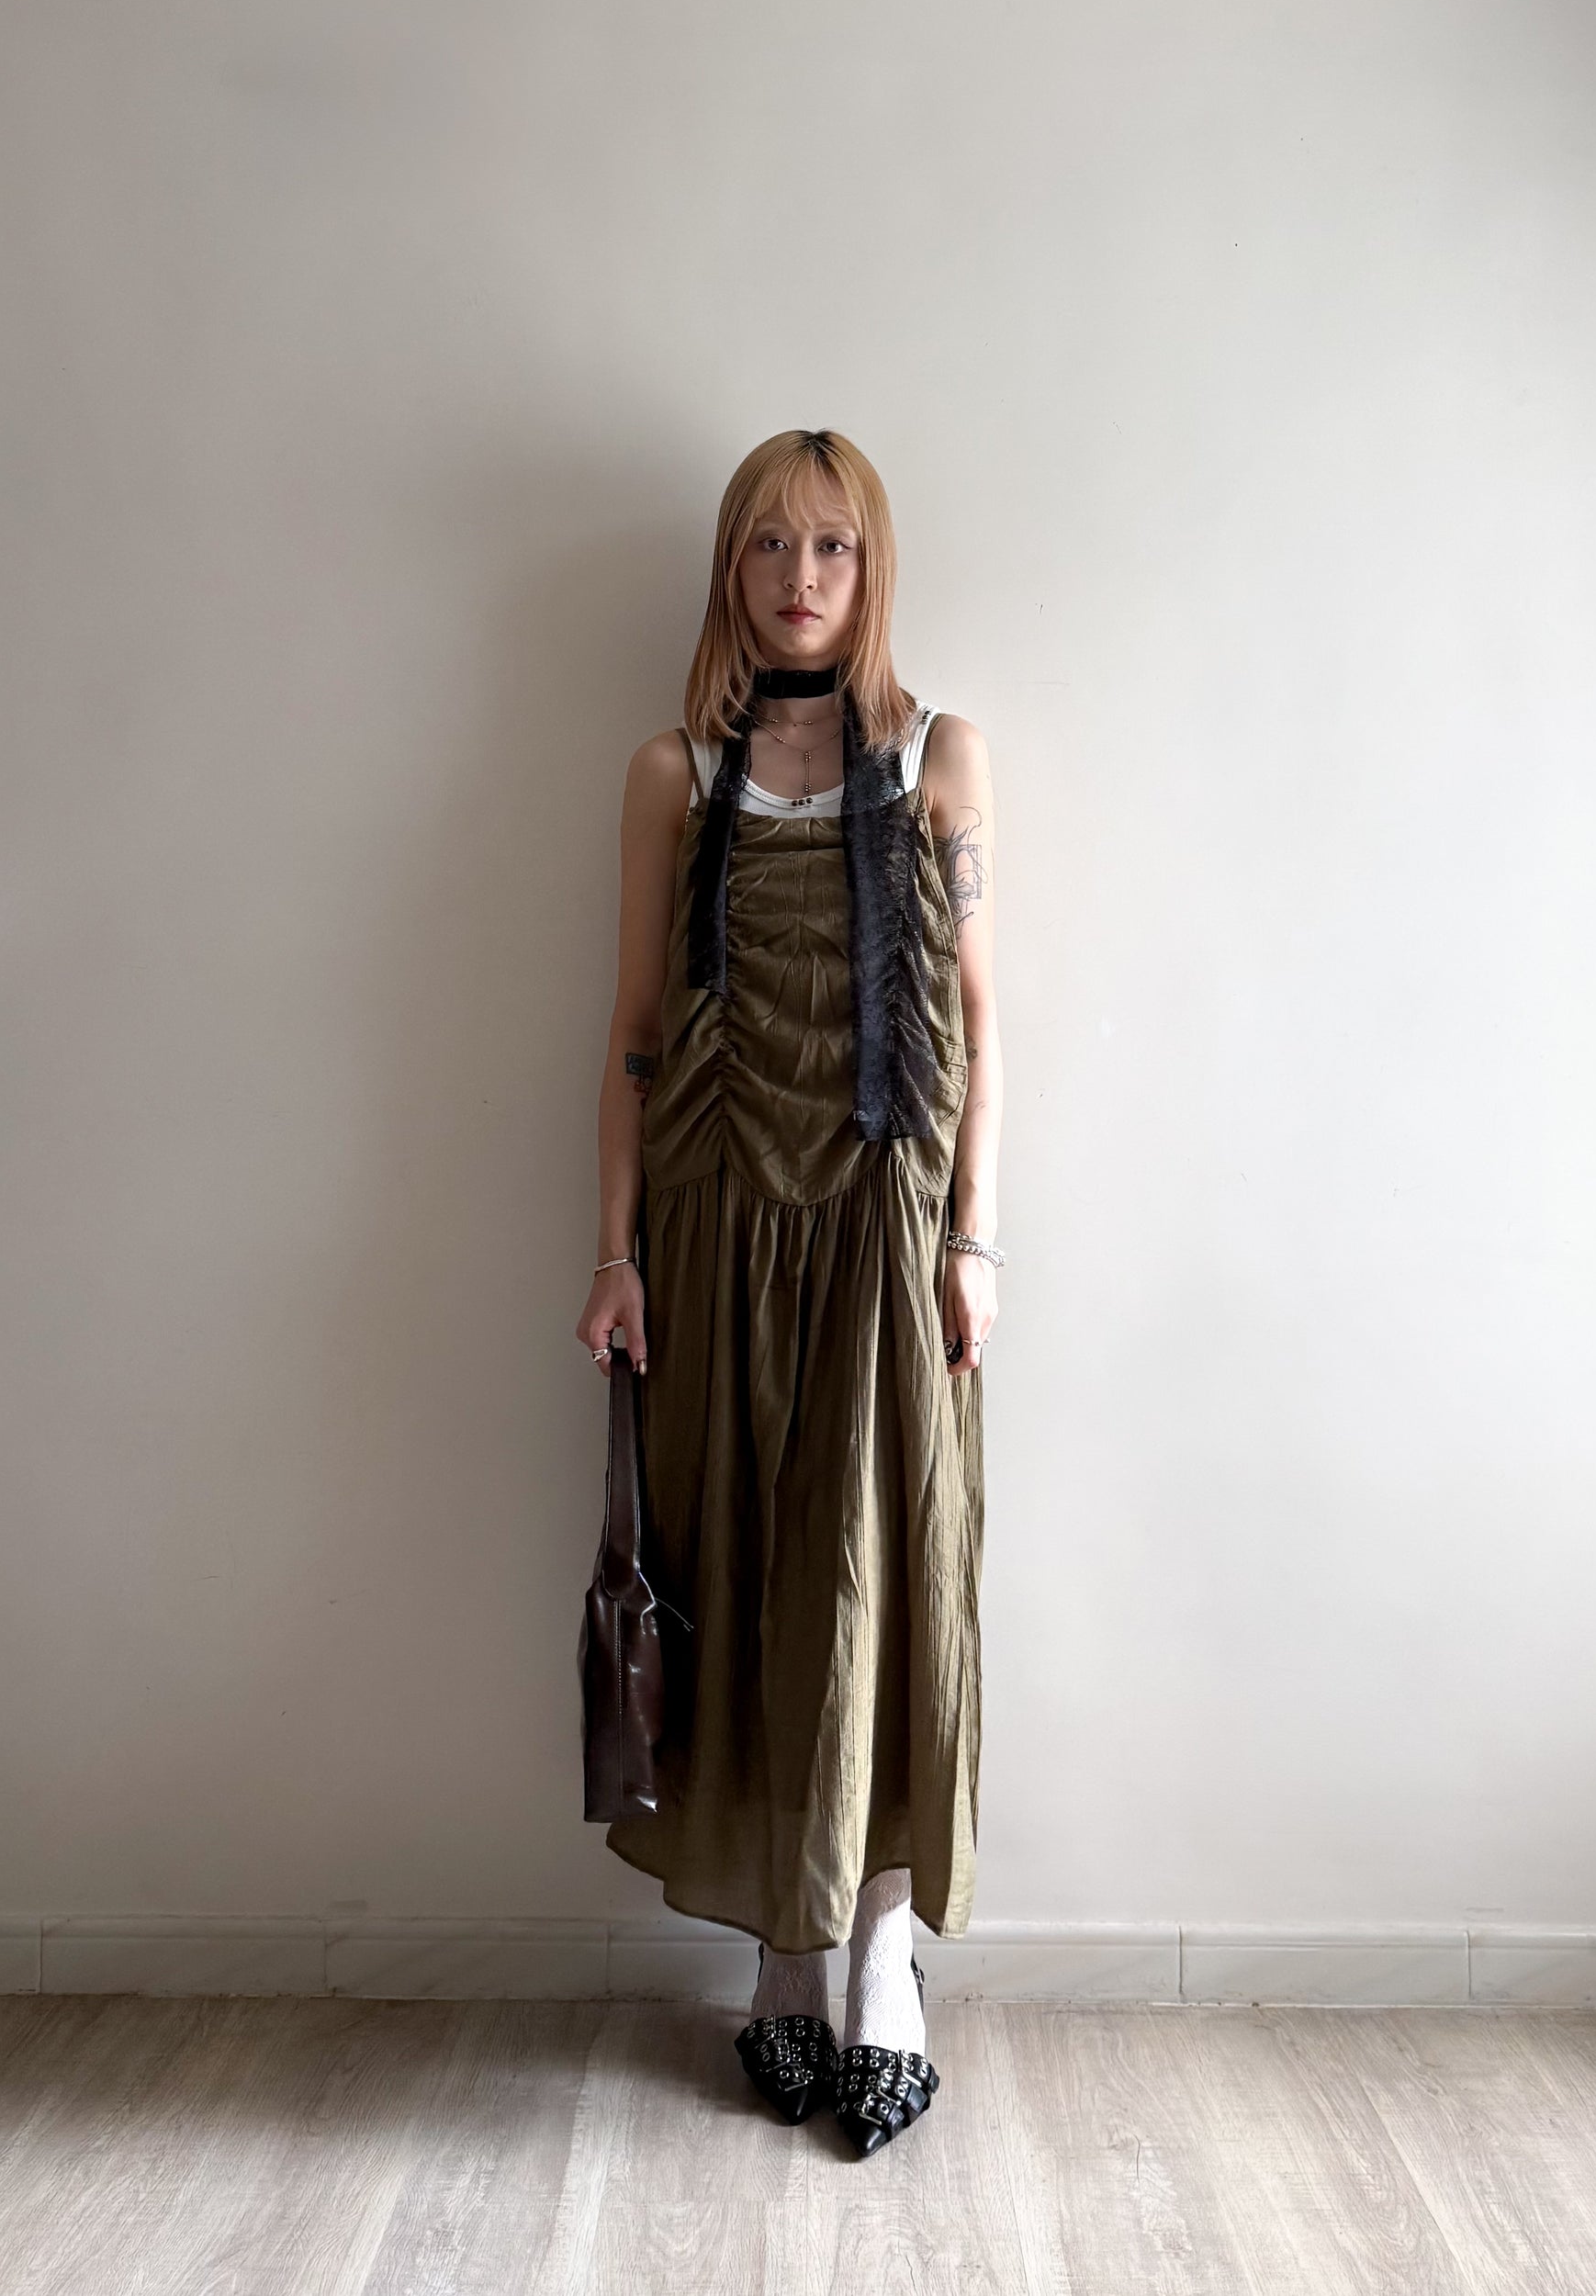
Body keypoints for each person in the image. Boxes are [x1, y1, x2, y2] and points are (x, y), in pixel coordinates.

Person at [574, 427, 1002, 2156]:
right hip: (714, 1225)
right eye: (765, 545)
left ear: (870, 565)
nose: (798, 578)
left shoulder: (940, 756)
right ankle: (781, 1957)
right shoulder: (671, 773)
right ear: (729, 567)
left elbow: (981, 1020)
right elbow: (632, 1031)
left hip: (891, 1229)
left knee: (888, 1570)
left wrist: (975, 1239)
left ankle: (883, 1954)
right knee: (744, 1566)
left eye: (829, 546)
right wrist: (614, 1251)